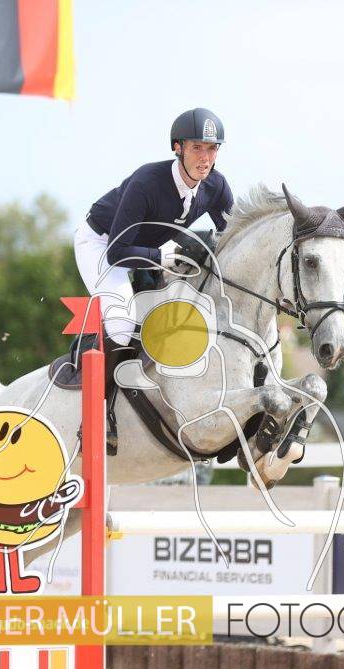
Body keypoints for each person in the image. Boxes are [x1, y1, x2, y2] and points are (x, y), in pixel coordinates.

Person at [73, 107, 235, 454]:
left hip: (151, 249)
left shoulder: (216, 186)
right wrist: (161, 257)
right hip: (102, 244)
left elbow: (232, 237)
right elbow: (117, 253)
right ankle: (98, 415)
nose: (205, 158)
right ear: (178, 147)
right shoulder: (148, 182)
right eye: (197, 148)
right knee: (122, 321)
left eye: (212, 149)